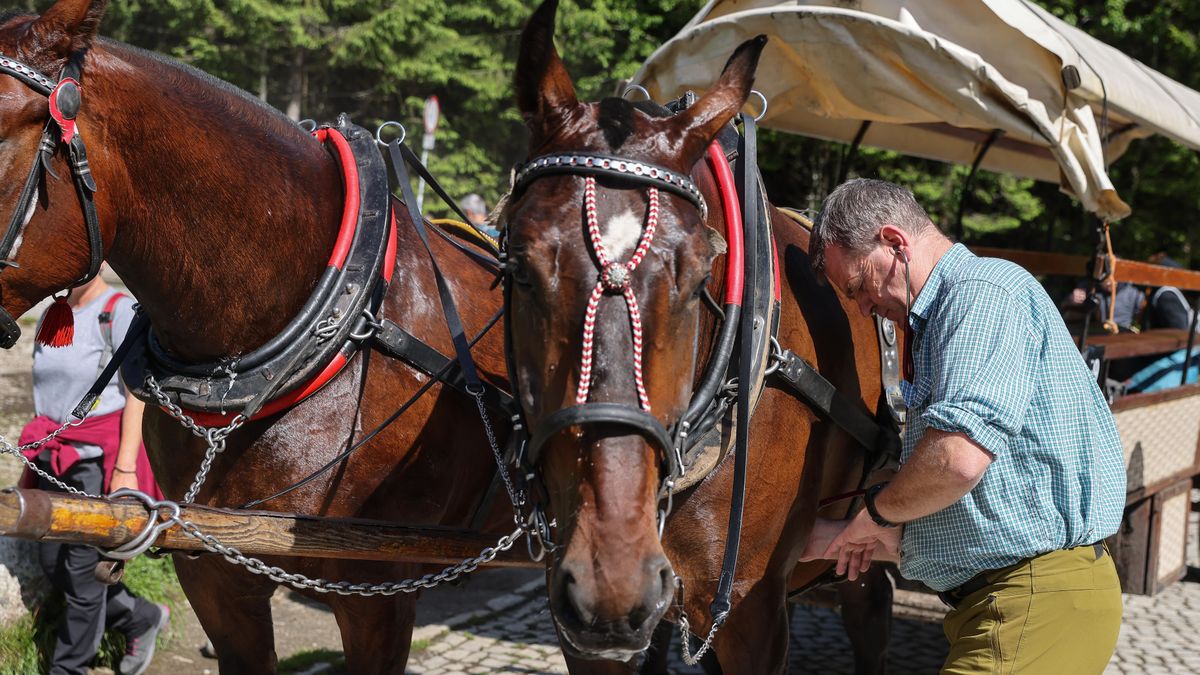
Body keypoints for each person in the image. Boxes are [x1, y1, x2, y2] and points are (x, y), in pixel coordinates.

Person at [804, 178, 1126, 674]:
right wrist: (844, 535)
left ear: (894, 242)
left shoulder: (979, 294)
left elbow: (956, 460)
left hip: (1034, 599)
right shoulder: (950, 311)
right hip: (1020, 599)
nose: (863, 307)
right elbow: (983, 504)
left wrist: (877, 512)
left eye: (860, 285)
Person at [18, 272, 168, 675]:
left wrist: (125, 468)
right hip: (52, 459)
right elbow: (46, 398)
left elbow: (137, 393)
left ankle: (69, 668)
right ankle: (140, 616)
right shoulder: (56, 314)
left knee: (83, 574)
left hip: (93, 464)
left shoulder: (117, 312)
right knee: (53, 564)